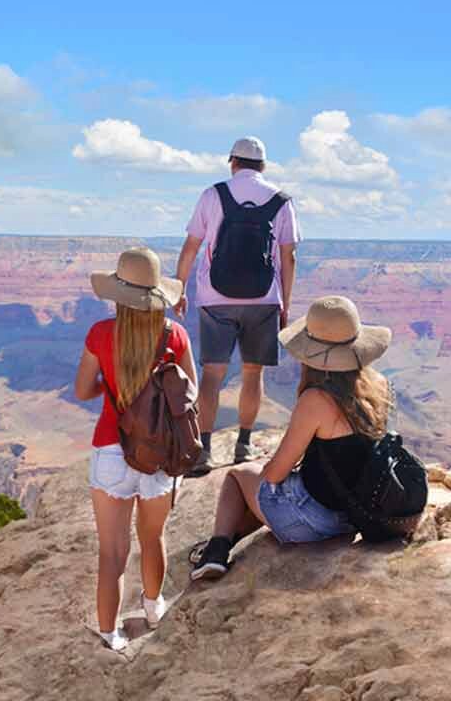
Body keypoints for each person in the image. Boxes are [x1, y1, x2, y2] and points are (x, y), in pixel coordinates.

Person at [189, 295, 393, 579]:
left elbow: (274, 476)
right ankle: (224, 544)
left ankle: (216, 552)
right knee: (263, 486)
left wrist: (267, 466)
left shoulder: (316, 399)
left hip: (315, 521)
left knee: (238, 476)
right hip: (355, 515)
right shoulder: (378, 387)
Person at [74, 247, 198, 651]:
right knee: (153, 536)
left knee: (112, 552)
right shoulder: (175, 336)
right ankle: (152, 607)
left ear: (118, 295)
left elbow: (82, 389)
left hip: (111, 449)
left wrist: (111, 392)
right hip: (159, 453)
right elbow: (190, 394)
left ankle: (110, 635)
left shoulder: (100, 334)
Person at [174, 136, 300, 476]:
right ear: (263, 165)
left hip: (216, 297)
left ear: (233, 162)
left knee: (212, 374)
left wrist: (179, 288)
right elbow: (288, 257)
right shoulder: (281, 201)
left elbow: (191, 247)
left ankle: (204, 451)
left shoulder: (213, 195)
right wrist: (284, 304)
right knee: (252, 372)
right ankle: (244, 445)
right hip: (263, 300)